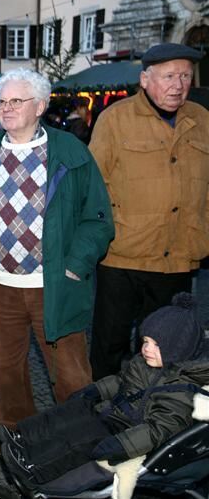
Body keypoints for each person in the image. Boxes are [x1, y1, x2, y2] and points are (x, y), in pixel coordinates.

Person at [0, 68, 114, 450]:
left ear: (40, 106)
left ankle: (78, 436)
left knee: (69, 370)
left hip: (54, 284)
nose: (6, 109)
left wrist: (75, 265)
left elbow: (98, 218)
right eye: (2, 101)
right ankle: (15, 428)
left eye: (16, 101)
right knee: (5, 365)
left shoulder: (71, 153)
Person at [88, 42, 208, 381]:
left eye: (185, 75)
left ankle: (154, 417)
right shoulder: (115, 119)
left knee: (169, 349)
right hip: (122, 258)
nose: (178, 84)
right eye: (169, 75)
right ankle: (102, 415)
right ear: (145, 79)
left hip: (178, 259)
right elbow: (92, 188)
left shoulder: (203, 120)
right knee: (109, 347)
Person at [2, 293, 208, 487]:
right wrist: (96, 390)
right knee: (69, 415)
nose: (146, 349)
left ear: (177, 348)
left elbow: (158, 430)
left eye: (156, 345)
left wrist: (123, 444)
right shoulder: (145, 362)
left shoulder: (183, 392)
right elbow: (121, 381)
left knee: (78, 443)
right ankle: (24, 436)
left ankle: (35, 471)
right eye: (145, 341)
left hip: (130, 435)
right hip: (113, 414)